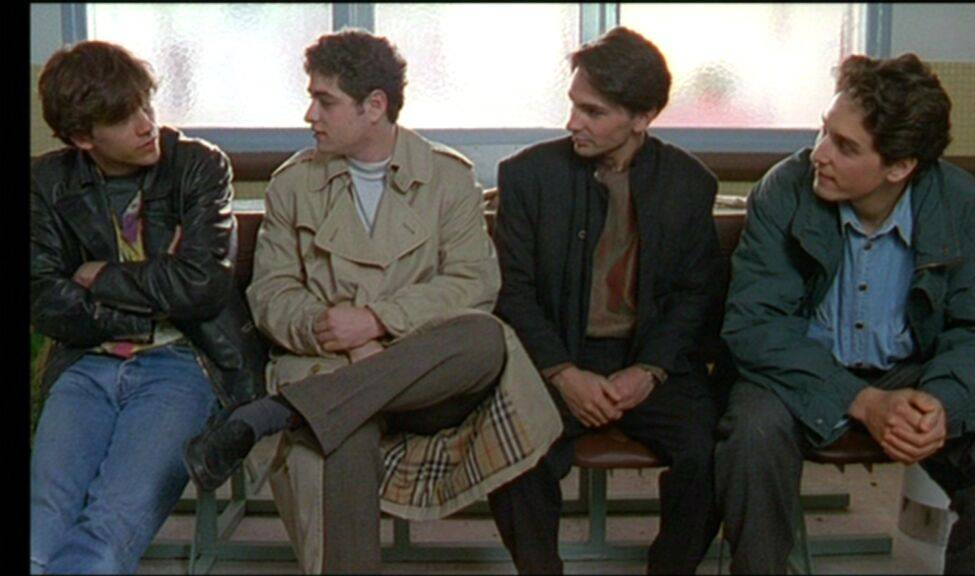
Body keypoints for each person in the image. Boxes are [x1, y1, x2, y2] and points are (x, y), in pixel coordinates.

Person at [182, 28, 562, 574]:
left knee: (485, 339)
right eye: (311, 98)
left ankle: (279, 412)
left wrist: (377, 323)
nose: (310, 114)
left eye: (326, 101)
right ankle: (315, 410)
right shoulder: (293, 185)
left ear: (375, 106)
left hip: (426, 376)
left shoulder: (448, 178)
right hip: (329, 364)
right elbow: (270, 293)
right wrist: (331, 331)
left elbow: (473, 283)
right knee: (341, 430)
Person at [716, 53, 975, 574]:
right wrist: (861, 401)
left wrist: (942, 404)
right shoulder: (784, 188)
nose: (819, 154)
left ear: (900, 167)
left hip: (915, 373)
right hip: (799, 370)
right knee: (753, 431)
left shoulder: (966, 204)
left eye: (846, 146)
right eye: (824, 130)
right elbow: (755, 325)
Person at [486, 26, 724, 574]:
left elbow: (696, 294)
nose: (573, 122)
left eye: (592, 112)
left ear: (642, 118)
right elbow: (511, 292)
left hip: (650, 358)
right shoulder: (527, 176)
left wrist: (650, 370)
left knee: (711, 451)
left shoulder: (689, 184)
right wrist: (563, 373)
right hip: (556, 354)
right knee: (515, 444)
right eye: (573, 105)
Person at [29, 40, 265, 574]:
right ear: (83, 138)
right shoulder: (45, 182)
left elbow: (203, 287)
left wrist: (99, 276)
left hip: (183, 361)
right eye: (124, 118)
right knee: (41, 528)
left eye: (146, 105)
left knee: (111, 521)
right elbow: (46, 300)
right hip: (86, 361)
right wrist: (153, 300)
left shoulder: (198, 165)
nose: (146, 125)